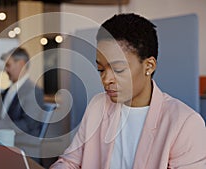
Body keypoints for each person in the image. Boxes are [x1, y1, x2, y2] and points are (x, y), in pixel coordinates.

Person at [50, 13, 206, 169]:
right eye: (101, 69)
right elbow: (70, 161)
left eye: (118, 69)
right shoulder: (98, 106)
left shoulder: (185, 123)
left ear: (149, 66)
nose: (106, 79)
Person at [0, 47, 44, 137]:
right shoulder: (9, 90)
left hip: (23, 144)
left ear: (21, 64)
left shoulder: (33, 92)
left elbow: (27, 125)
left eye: (8, 65)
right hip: (5, 138)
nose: (6, 70)